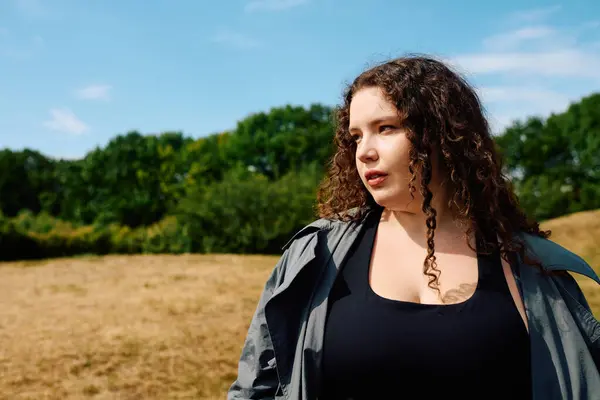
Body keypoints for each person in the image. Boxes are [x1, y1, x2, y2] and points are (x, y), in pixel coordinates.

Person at [227, 55, 600, 400]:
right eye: (356, 136)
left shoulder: (532, 269)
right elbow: (258, 384)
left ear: (443, 134)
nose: (364, 152)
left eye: (386, 128)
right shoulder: (316, 254)